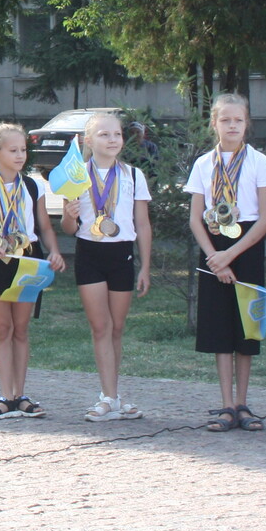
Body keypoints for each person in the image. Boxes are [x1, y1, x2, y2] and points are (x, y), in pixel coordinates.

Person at [185, 93, 266, 433]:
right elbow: (196, 218)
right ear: (215, 123)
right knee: (219, 328)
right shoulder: (203, 164)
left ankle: (242, 402)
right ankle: (225, 404)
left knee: (245, 329)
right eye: (226, 120)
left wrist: (230, 255)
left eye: (238, 120)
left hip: (246, 246)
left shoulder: (259, 162)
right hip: (213, 246)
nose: (233, 125)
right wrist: (215, 257)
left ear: (247, 123)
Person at [0, 123, 64, 420]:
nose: (20, 156)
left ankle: (21, 395)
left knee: (21, 328)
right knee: (2, 328)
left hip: (28, 260)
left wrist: (55, 251)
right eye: (13, 150)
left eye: (23, 150)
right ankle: (5, 396)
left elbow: (44, 227)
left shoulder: (33, 186)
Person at [59, 111, 152, 421]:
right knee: (101, 327)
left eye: (116, 135)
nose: (112, 140)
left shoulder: (133, 176)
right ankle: (107, 396)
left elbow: (142, 223)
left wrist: (146, 267)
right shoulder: (76, 175)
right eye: (104, 135)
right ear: (88, 140)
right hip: (90, 254)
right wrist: (70, 215)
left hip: (122, 254)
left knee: (117, 327)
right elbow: (69, 228)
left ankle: (114, 394)